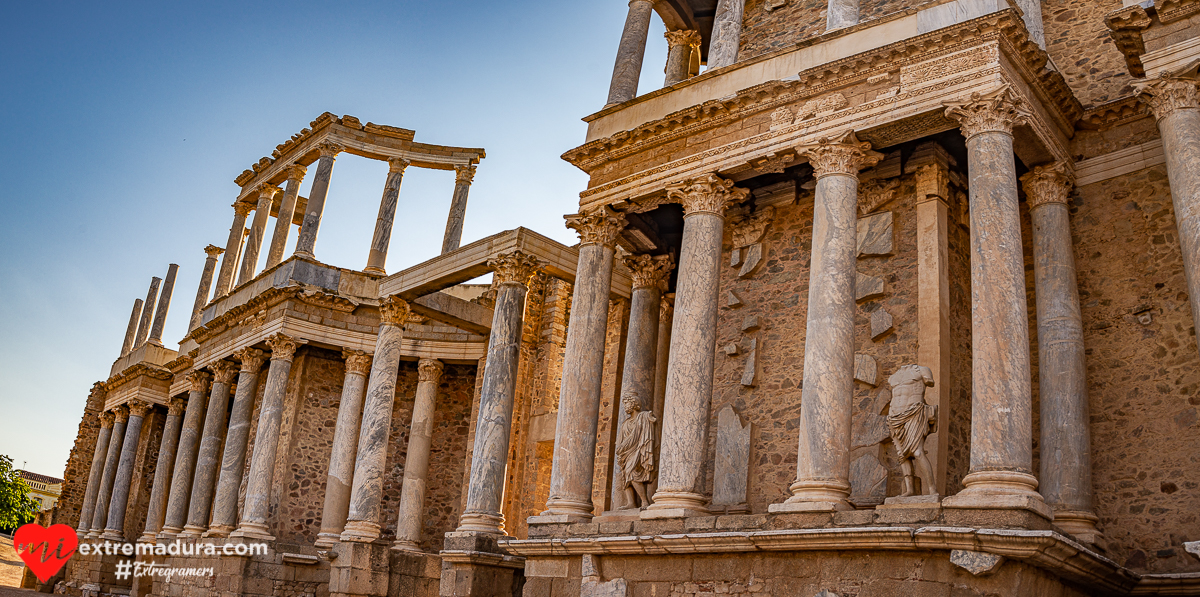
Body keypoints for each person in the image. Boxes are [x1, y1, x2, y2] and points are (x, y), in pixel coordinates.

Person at [886, 364, 937, 497]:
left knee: (917, 451)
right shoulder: (893, 377)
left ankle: (932, 489)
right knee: (902, 455)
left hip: (914, 411)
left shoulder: (922, 370)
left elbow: (930, 383)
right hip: (894, 416)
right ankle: (910, 490)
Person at [614, 392, 657, 509]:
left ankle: (644, 501)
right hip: (626, 453)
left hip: (638, 450)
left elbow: (647, 430)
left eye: (626, 403)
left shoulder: (643, 417)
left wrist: (650, 417)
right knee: (626, 475)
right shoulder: (625, 423)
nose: (625, 406)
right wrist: (620, 449)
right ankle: (631, 503)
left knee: (632, 473)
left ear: (634, 404)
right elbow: (621, 440)